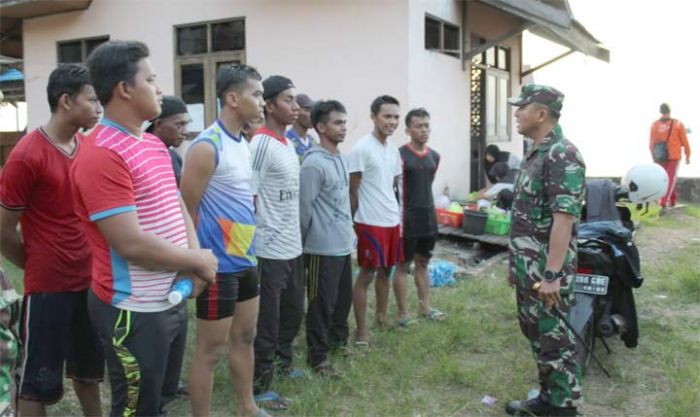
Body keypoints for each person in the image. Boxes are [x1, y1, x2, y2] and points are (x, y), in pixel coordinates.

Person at [71, 40, 218, 417]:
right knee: (135, 408)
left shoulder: (153, 145)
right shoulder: (102, 152)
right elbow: (129, 243)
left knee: (161, 399)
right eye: (151, 79)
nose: (160, 88)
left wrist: (192, 261)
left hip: (169, 297)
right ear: (124, 89)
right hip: (131, 311)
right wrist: (197, 260)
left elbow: (178, 208)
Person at [0, 63, 105, 417]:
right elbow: (2, 229)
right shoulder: (27, 155)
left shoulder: (86, 147)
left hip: (90, 281)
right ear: (65, 101)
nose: (98, 107)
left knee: (89, 372)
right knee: (36, 384)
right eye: (91, 100)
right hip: (48, 288)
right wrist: (37, 264)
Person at [180, 64, 266, 417]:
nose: (262, 102)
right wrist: (195, 264)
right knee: (210, 350)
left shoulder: (242, 142)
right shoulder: (206, 146)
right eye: (257, 95)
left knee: (245, 336)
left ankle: (247, 407)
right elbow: (185, 209)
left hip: (246, 259)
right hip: (217, 267)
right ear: (233, 98)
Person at [505, 84, 585, 417]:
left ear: (541, 113)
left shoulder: (561, 153)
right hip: (529, 269)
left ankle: (564, 408)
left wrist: (552, 275)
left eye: (521, 107)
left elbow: (563, 221)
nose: (515, 113)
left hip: (546, 272)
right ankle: (547, 400)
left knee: (556, 342)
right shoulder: (536, 150)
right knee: (538, 336)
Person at [249, 75, 303, 409]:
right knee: (266, 320)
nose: (295, 107)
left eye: (296, 100)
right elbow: (249, 196)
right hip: (268, 248)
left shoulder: (288, 143)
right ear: (269, 105)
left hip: (292, 245)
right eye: (288, 100)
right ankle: (260, 384)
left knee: (293, 312)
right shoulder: (260, 144)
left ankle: (284, 363)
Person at [299, 100, 353, 377]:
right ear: (320, 127)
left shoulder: (341, 158)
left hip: (343, 244)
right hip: (321, 248)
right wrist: (303, 250)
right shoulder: (313, 164)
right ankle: (318, 357)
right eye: (337, 122)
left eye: (344, 122)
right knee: (320, 303)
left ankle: (338, 343)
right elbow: (304, 209)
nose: (343, 127)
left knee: (343, 301)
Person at [348, 95, 403, 344]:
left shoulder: (392, 150)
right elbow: (353, 189)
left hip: (391, 221)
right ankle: (361, 331)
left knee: (387, 271)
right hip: (369, 222)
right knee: (366, 274)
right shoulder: (361, 148)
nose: (392, 121)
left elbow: (391, 186)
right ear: (373, 117)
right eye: (387, 116)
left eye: (396, 117)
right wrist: (352, 222)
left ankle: (381, 318)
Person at [393, 108, 445, 327]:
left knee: (423, 263)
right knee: (403, 266)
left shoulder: (434, 156)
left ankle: (425, 307)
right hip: (407, 220)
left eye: (426, 126)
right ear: (408, 130)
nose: (423, 130)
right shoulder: (399, 156)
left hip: (428, 219)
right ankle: (403, 313)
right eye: (418, 126)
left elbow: (427, 184)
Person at [649, 103, 691, 209]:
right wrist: (688, 155)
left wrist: (654, 157)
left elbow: (651, 144)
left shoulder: (654, 125)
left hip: (659, 156)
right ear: (669, 111)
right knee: (670, 178)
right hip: (674, 156)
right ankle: (664, 201)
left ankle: (672, 200)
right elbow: (685, 141)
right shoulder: (677, 124)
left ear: (660, 112)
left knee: (665, 179)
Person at [146, 95, 191, 185]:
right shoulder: (142, 157)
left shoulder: (174, 157)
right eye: (179, 125)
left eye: (185, 125)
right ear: (159, 124)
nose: (186, 132)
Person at [285, 93, 317, 159]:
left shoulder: (313, 142)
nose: (312, 114)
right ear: (295, 111)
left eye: (313, 110)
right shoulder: (286, 140)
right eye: (307, 110)